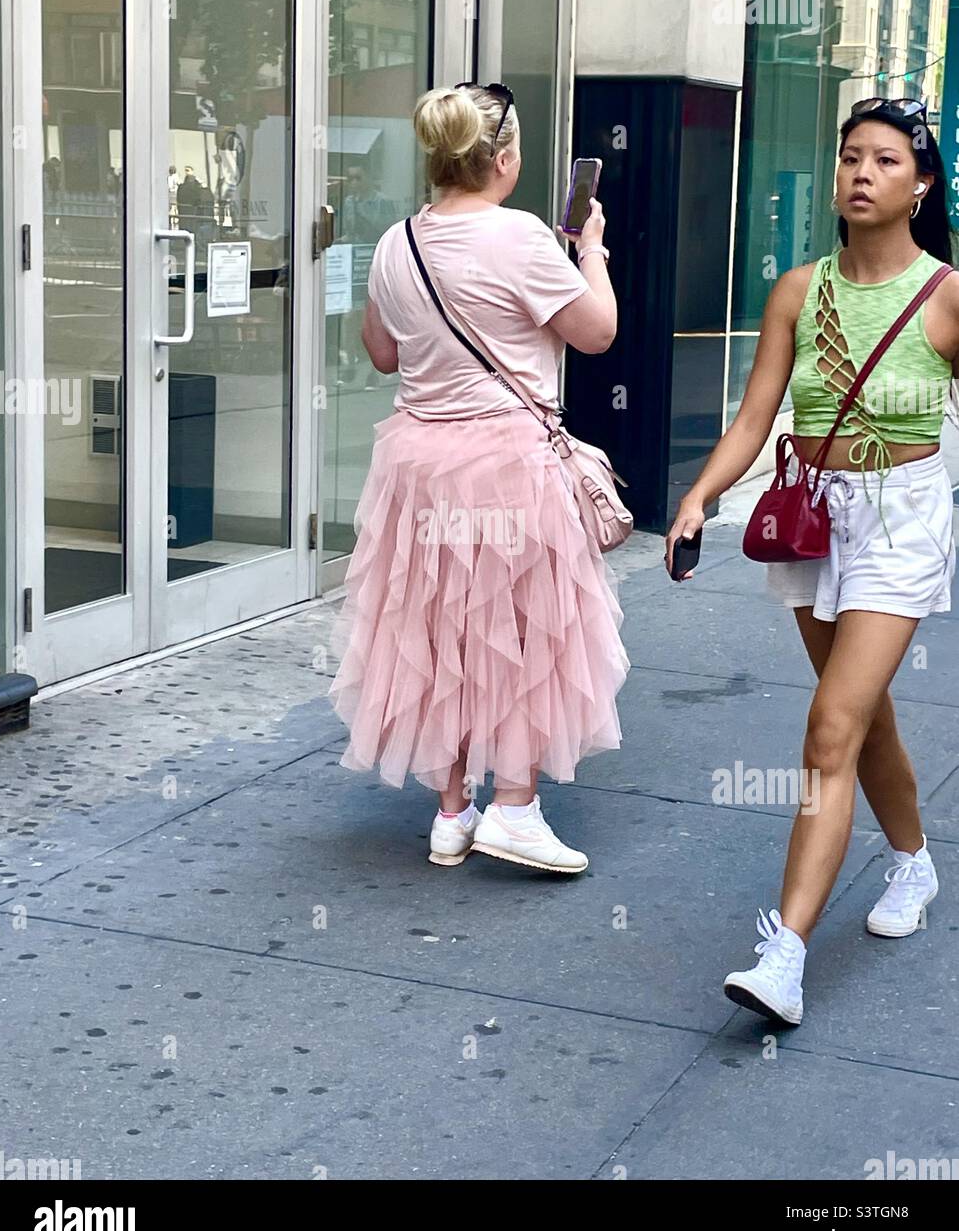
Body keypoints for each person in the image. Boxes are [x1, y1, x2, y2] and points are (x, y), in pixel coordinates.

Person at [666, 98, 959, 1024]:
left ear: (919, 185)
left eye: (882, 160)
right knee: (860, 719)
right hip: (812, 518)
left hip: (903, 518)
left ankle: (783, 956)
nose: (860, 174)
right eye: (848, 159)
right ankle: (912, 862)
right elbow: (758, 417)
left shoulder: (946, 295)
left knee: (829, 724)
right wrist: (698, 495)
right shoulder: (798, 289)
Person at [328, 83, 630, 874]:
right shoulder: (524, 236)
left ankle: (451, 810)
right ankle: (516, 807)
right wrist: (589, 249)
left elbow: (383, 353)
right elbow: (595, 333)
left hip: (419, 466)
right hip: (506, 466)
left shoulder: (397, 243)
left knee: (440, 630)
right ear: (502, 160)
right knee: (524, 634)